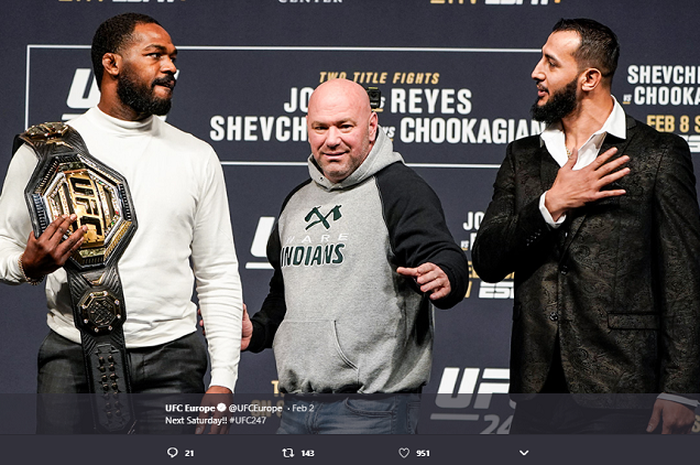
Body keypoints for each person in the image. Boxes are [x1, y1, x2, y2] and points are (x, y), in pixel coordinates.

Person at [0, 13, 243, 434]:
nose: (170, 67)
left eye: (173, 57)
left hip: (174, 363)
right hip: (71, 357)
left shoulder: (196, 155)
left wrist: (223, 379)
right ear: (111, 64)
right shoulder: (44, 149)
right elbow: (2, 242)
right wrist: (25, 267)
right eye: (155, 55)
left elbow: (217, 272)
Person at [472, 18, 700, 434]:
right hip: (536, 389)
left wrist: (681, 389)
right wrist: (550, 204)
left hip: (623, 387)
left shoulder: (658, 154)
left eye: (551, 63)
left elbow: (684, 280)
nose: (536, 72)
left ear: (590, 78)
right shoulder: (524, 156)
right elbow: (486, 260)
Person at [240, 78, 469, 434]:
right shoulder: (296, 202)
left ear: (372, 126)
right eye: (321, 127)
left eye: (345, 126)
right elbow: (284, 294)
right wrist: (257, 330)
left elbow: (444, 256)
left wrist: (445, 275)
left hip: (372, 412)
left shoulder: (400, 190)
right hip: (296, 409)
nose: (332, 140)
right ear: (307, 129)